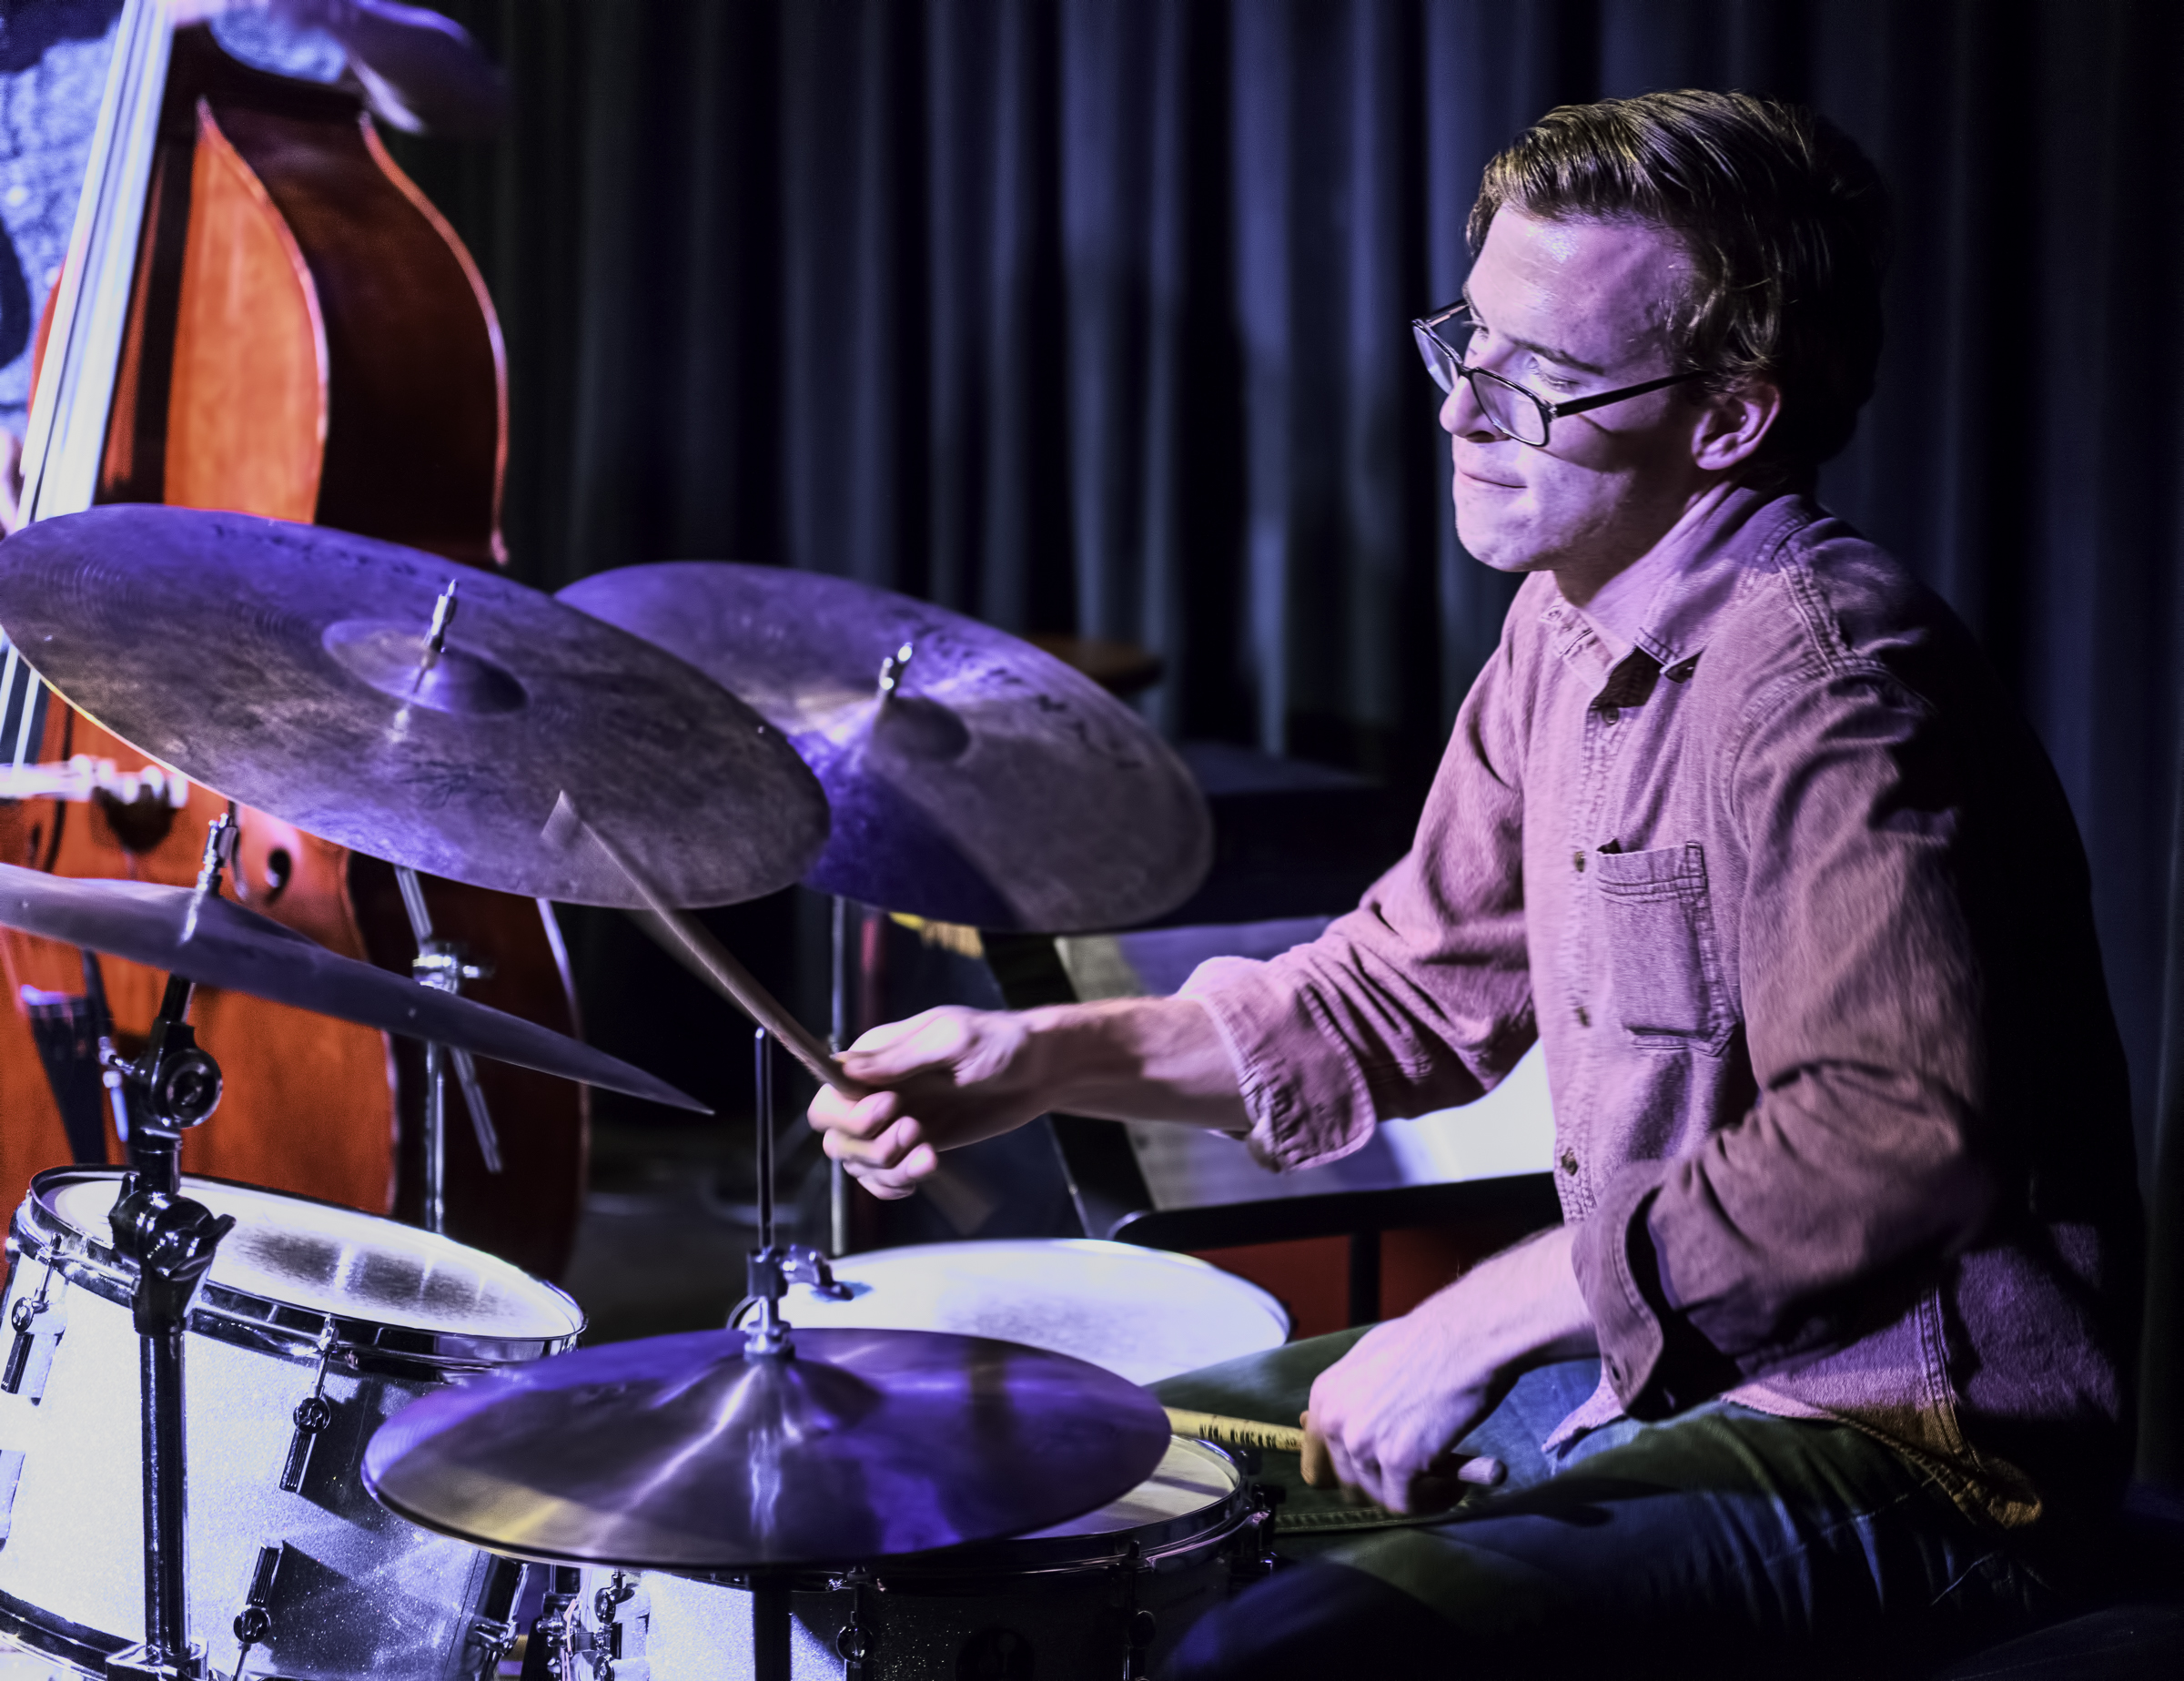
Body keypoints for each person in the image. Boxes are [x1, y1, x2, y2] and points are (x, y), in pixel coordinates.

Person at [808, 90, 2144, 1676]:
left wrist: (1477, 1318)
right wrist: (1038, 1063)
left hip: (1916, 1450)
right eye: (1469, 347)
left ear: (1725, 418)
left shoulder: (1833, 677)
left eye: (1542, 382)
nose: (1458, 414)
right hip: (1658, 1377)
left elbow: (1891, 1135)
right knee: (1031, 1490)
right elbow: (1399, 989)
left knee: (1291, 1648)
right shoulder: (1560, 630)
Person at [0, 0, 502, 530]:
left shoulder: (177, 11)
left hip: (223, 473)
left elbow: (470, 94)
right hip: (21, 504)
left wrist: (332, 11)